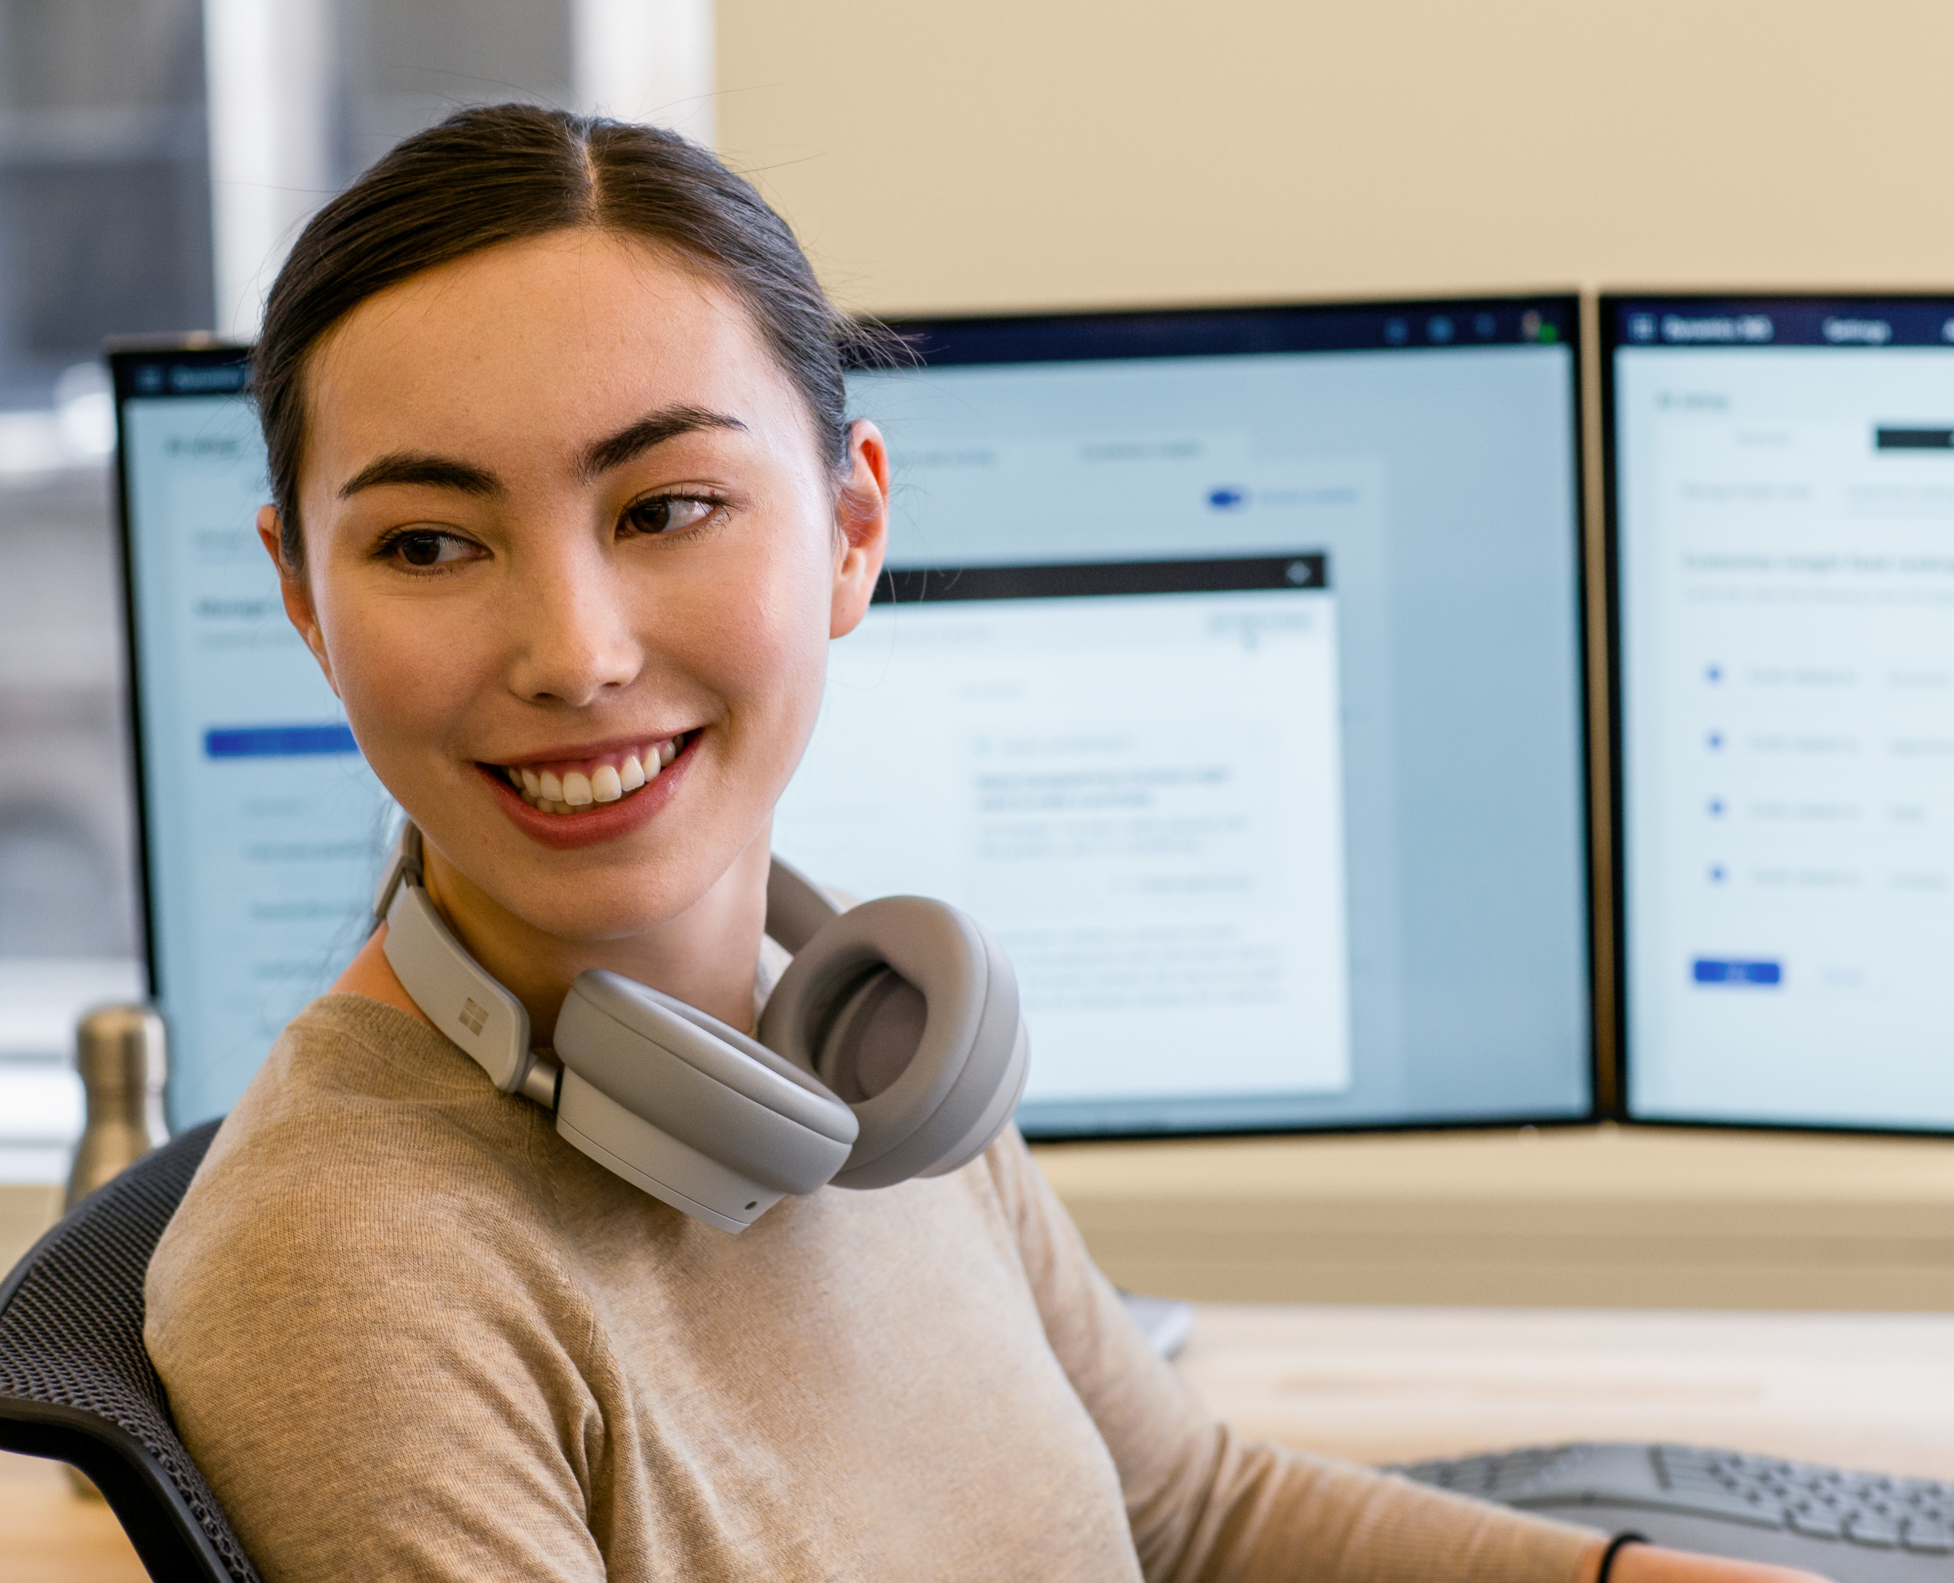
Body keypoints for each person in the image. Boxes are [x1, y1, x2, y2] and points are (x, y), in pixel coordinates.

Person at [144, 104, 1824, 1583]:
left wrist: (1634, 1581)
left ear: (854, 529)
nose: (572, 653)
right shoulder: (353, 1272)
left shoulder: (861, 1051)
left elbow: (1192, 1520)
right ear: (301, 595)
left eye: (663, 510)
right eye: (431, 544)